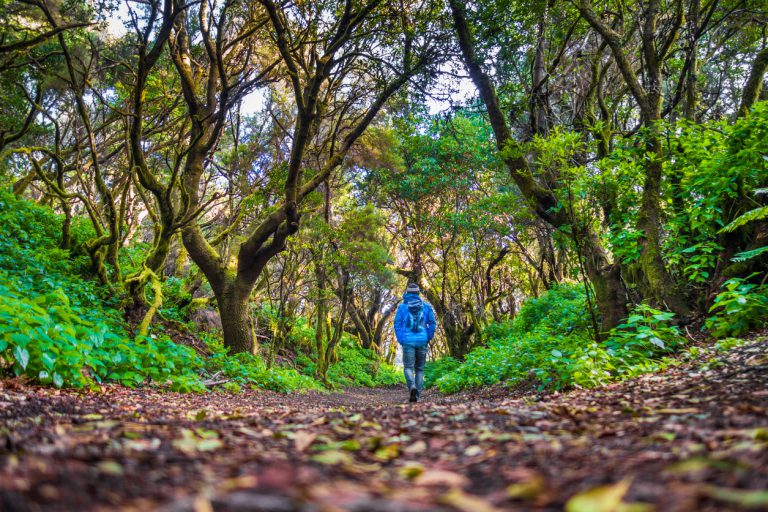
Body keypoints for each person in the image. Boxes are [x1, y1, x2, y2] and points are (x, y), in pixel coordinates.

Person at [393, 282, 436, 403]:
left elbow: (397, 324)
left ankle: (412, 387)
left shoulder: (402, 307)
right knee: (420, 369)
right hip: (422, 340)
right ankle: (417, 396)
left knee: (408, 367)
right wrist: (428, 337)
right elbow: (432, 323)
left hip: (407, 340)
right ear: (418, 293)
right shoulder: (426, 306)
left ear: (407, 293)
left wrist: (401, 339)